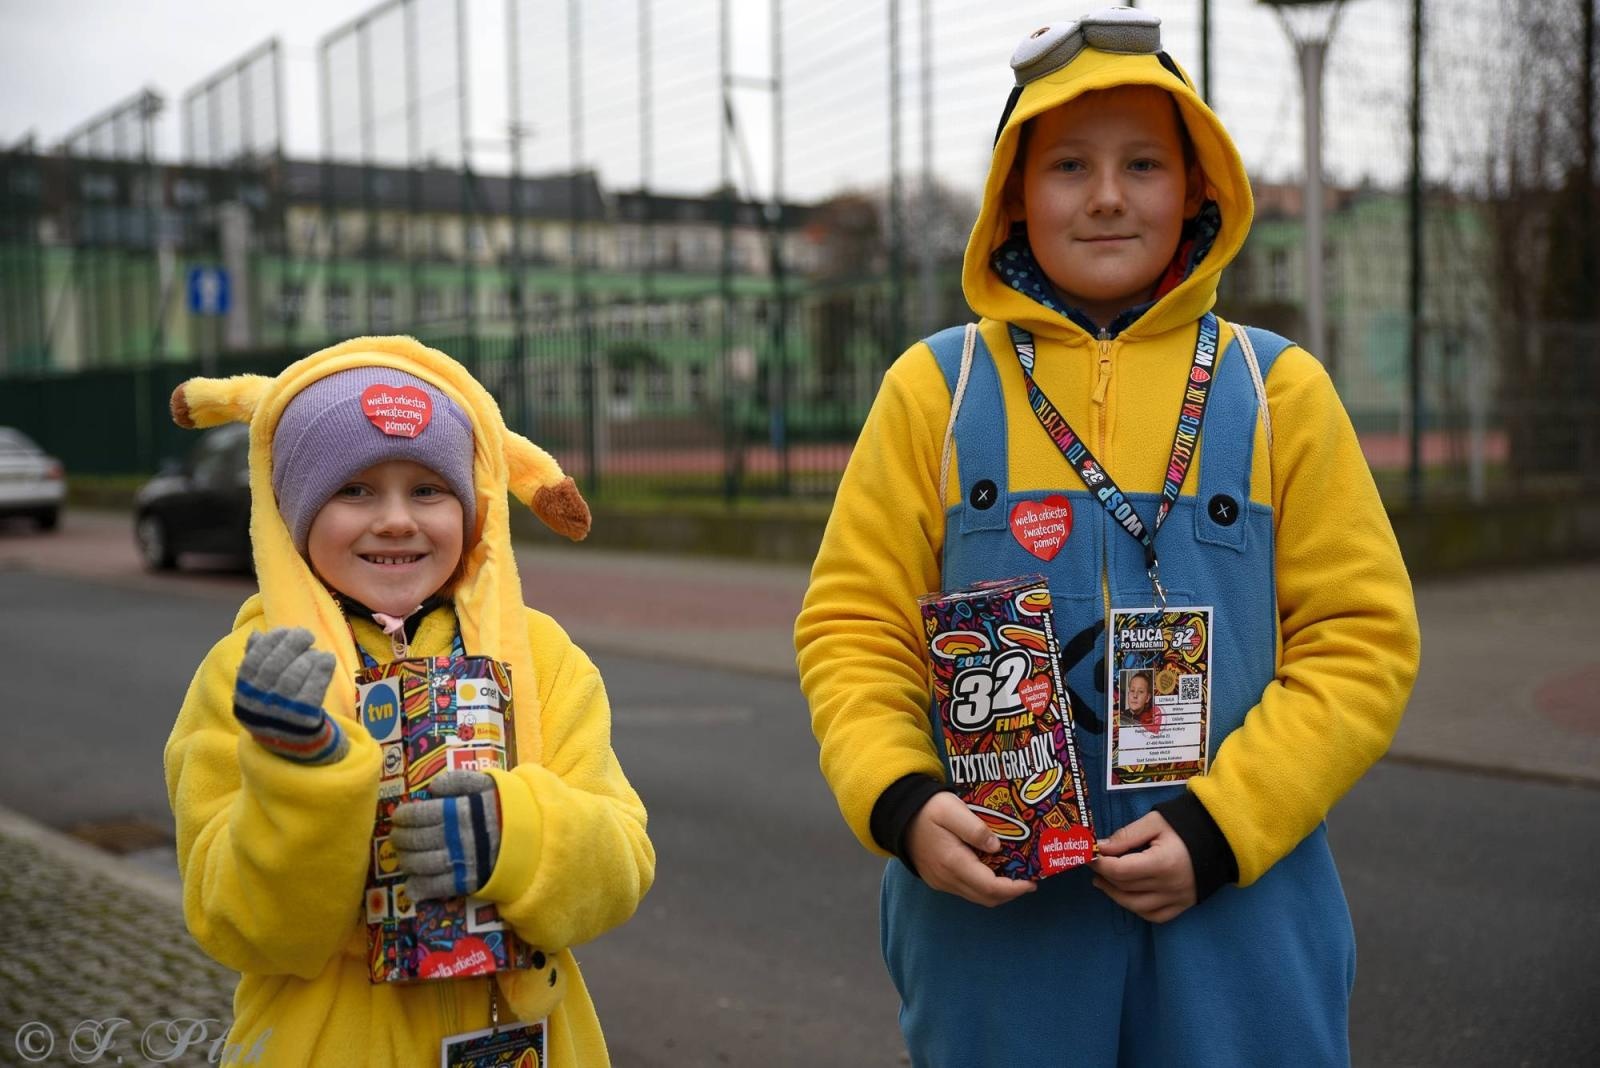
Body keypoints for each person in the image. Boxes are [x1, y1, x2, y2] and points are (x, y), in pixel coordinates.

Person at [794, 9, 1420, 1065]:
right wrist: (900, 798)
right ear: (1011, 197)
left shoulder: (1278, 392)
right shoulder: (933, 392)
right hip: (996, 913)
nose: (1106, 195)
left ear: (1194, 191)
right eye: (1067, 166)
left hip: (1239, 910)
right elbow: (854, 626)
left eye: (1142, 163)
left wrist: (1224, 829)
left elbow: (1360, 640)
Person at [164, 335, 654, 1067]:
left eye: (427, 490)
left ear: (471, 507)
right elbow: (242, 925)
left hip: (529, 1037)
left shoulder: (541, 656)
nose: (396, 519)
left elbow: (622, 863)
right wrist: (301, 772)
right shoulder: (249, 675)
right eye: (354, 489)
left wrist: (514, 835)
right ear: (293, 511)